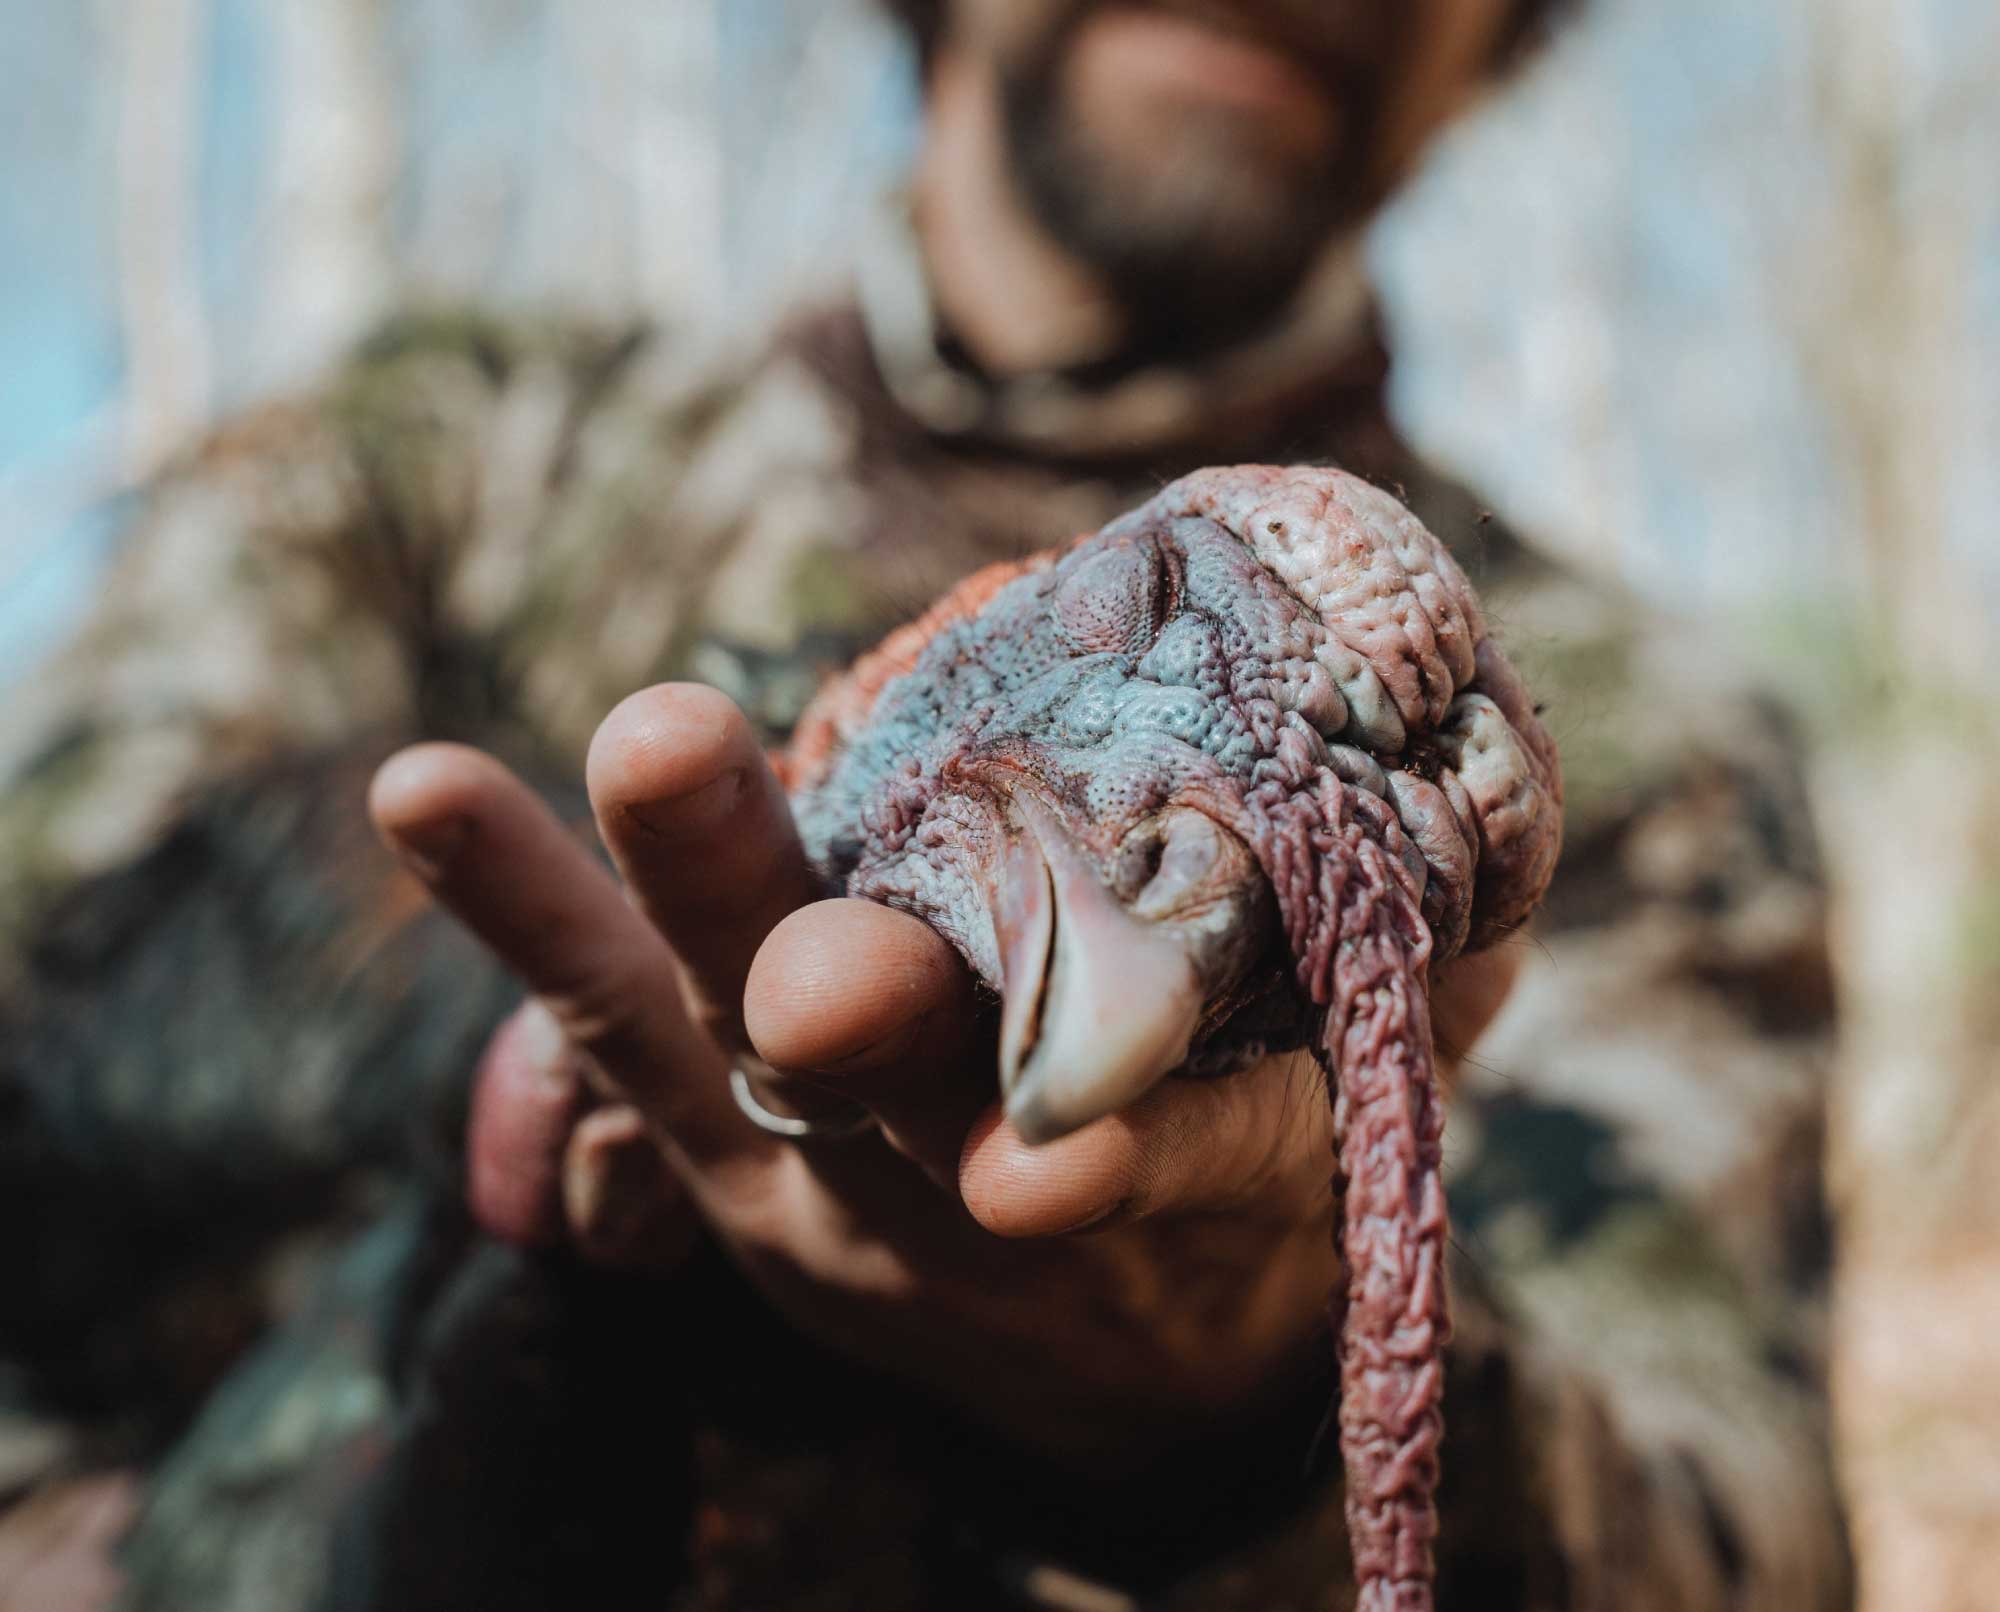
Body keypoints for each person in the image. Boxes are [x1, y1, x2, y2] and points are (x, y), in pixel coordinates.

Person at [0, 3, 1846, 1608]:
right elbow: (48, 946)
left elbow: (1739, 1533)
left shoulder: (1610, 749)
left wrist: (1253, 1392)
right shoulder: (452, 463)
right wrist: (581, 1012)